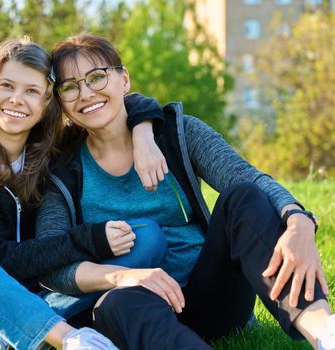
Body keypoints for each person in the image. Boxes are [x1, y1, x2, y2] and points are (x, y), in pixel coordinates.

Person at [35, 33, 335, 350]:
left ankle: (324, 333)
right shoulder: (62, 169)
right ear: (61, 101)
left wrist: (297, 218)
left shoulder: (179, 133)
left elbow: (245, 176)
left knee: (242, 197)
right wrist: (120, 278)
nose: (86, 93)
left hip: (209, 295)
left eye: (97, 77)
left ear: (124, 79)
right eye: (70, 86)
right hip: (133, 304)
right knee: (117, 303)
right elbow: (51, 262)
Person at [0, 37, 165, 350]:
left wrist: (144, 133)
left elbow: (123, 102)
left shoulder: (53, 149)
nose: (17, 99)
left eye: (32, 91)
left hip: (42, 295)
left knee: (145, 237)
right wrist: (87, 239)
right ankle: (69, 337)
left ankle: (8, 332)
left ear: (48, 102)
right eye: (7, 86)